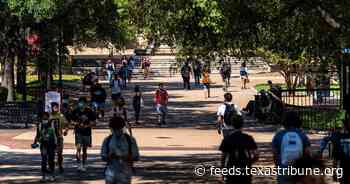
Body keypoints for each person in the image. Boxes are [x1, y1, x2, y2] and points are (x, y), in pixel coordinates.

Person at [272, 111, 311, 184]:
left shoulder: (279, 135)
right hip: (299, 170)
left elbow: (275, 154)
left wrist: (278, 167)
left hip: (284, 168)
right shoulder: (302, 135)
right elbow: (307, 153)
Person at [219, 115, 258, 184]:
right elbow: (256, 155)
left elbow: (223, 158)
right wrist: (249, 163)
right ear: (242, 124)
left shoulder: (227, 139)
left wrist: (223, 173)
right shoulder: (248, 138)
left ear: (232, 124)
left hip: (231, 170)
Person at [101, 116, 140, 184]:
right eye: (114, 129)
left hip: (125, 174)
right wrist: (109, 156)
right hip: (110, 174)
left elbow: (136, 156)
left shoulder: (130, 140)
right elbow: (103, 156)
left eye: (118, 128)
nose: (116, 131)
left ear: (122, 128)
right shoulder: (107, 140)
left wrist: (126, 157)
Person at [319, 117, 350, 184]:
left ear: (344, 126)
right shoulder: (336, 136)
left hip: (343, 165)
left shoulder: (336, 136)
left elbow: (335, 160)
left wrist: (334, 173)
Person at [71, 97, 97, 171]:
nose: (81, 104)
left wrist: (87, 125)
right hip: (78, 131)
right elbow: (70, 121)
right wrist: (76, 123)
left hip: (87, 132)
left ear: (86, 103)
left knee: (85, 149)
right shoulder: (75, 111)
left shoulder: (89, 111)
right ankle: (79, 164)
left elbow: (94, 122)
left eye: (83, 102)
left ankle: (84, 164)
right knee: (78, 147)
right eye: (80, 102)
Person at [33, 112, 57, 182]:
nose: (44, 117)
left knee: (51, 160)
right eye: (43, 116)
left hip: (51, 144)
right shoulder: (40, 125)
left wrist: (57, 144)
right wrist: (35, 142)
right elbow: (37, 134)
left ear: (48, 117)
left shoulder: (52, 124)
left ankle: (52, 176)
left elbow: (56, 134)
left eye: (46, 116)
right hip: (43, 145)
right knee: (44, 160)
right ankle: (43, 177)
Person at [49, 102, 69, 174]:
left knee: (60, 153)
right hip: (50, 139)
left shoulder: (61, 116)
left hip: (59, 137)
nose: (55, 108)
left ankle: (60, 165)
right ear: (51, 107)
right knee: (51, 154)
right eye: (53, 107)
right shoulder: (48, 116)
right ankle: (51, 167)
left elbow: (66, 124)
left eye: (56, 107)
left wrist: (66, 131)